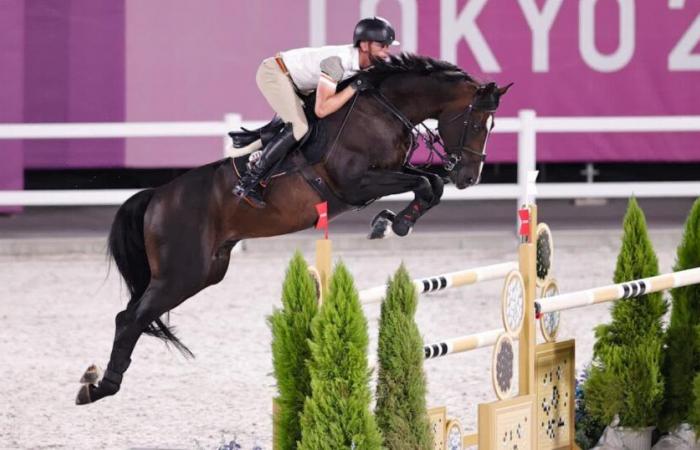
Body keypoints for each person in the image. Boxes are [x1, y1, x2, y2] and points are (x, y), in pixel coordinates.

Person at [232, 16, 400, 208]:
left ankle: (255, 141)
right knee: (300, 127)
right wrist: (354, 87)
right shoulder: (337, 62)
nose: (387, 53)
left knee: (310, 123)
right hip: (275, 74)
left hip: (296, 83)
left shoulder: (360, 64)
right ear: (364, 45)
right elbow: (322, 109)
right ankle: (248, 182)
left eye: (388, 46)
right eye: (382, 46)